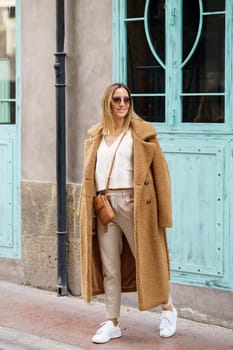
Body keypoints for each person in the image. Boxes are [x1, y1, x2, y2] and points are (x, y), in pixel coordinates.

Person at [78, 83, 177, 344]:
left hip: (133, 205)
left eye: (126, 99)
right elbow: (90, 176)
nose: (122, 104)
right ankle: (112, 322)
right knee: (110, 267)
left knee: (149, 259)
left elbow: (161, 175)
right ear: (107, 103)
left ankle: (168, 309)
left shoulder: (141, 133)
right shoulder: (96, 136)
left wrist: (160, 210)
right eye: (116, 100)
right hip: (104, 206)